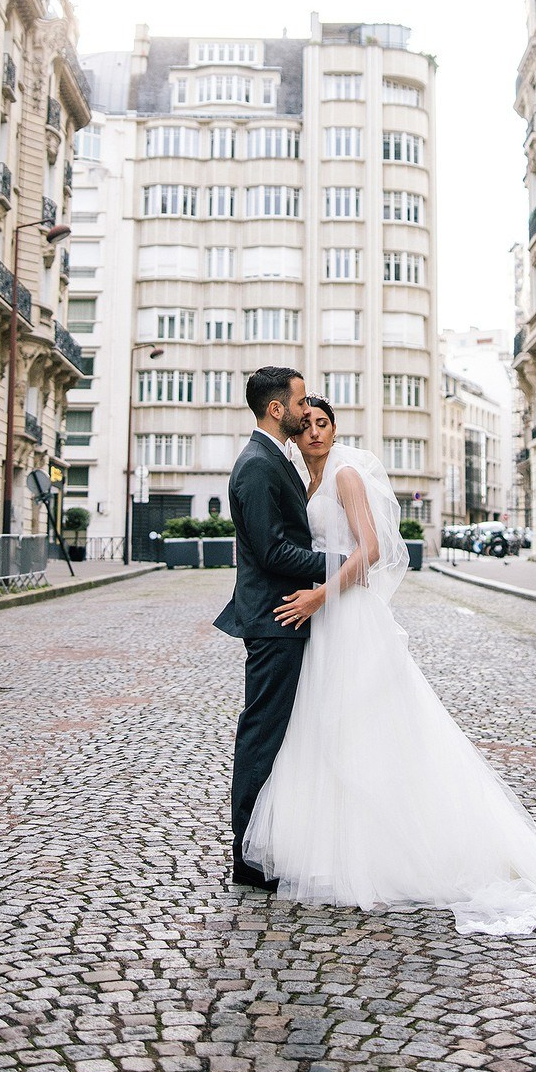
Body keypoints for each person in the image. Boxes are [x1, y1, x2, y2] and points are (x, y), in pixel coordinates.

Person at [242, 397, 536, 936]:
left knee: (369, 725)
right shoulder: (307, 480)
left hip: (346, 616)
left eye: (325, 423)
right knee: (327, 729)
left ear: (335, 428)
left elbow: (368, 552)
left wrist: (320, 596)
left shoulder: (345, 475)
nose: (316, 432)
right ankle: (330, 846)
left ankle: (387, 852)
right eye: (309, 424)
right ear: (294, 433)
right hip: (328, 623)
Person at [214, 366, 327, 890]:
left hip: (287, 616)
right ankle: (247, 858)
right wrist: (340, 565)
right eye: (302, 402)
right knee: (261, 735)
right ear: (277, 409)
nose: (309, 411)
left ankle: (270, 843)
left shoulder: (273, 457)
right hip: (277, 618)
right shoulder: (256, 466)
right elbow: (272, 551)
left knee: (282, 736)